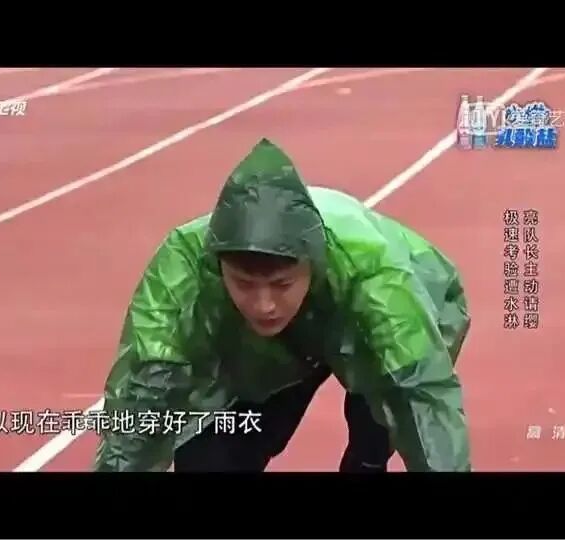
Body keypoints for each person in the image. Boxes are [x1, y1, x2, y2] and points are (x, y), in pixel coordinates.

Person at [94, 138, 472, 472]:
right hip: (266, 346)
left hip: (367, 323)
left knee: (379, 421)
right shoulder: (181, 270)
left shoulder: (375, 276)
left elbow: (422, 397)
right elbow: (144, 396)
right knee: (211, 458)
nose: (264, 305)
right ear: (217, 266)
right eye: (244, 284)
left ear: (313, 262)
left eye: (281, 285)